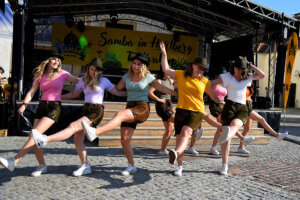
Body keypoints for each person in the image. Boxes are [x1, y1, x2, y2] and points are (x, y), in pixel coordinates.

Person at [81, 53, 177, 176]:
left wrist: (177, 94)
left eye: (139, 64)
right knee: (124, 139)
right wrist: (99, 82)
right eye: (134, 63)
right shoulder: (127, 76)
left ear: (143, 66)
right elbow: (116, 89)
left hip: (142, 107)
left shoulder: (148, 77)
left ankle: (95, 132)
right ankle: (132, 165)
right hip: (130, 106)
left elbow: (163, 89)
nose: (135, 66)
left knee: (119, 114)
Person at [31, 57, 127, 176]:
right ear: (88, 69)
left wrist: (133, 94)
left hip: (96, 110)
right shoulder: (83, 80)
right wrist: (58, 97)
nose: (93, 72)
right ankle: (85, 165)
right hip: (85, 109)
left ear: (100, 71)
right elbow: (74, 94)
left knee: (73, 126)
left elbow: (117, 92)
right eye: (91, 69)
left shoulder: (104, 81)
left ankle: (44, 139)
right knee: (77, 139)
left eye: (96, 70)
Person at [0, 53, 79, 176]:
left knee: (35, 135)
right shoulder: (41, 75)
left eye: (58, 60)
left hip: (54, 107)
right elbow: (32, 92)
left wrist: (93, 83)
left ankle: (14, 161)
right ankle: (42, 165)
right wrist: (24, 104)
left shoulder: (63, 73)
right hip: (42, 106)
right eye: (54, 58)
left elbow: (79, 81)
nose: (57, 61)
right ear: (48, 60)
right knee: (34, 136)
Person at [160, 42, 222, 176]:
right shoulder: (182, 75)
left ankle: (175, 153)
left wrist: (220, 101)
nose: (201, 70)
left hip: (197, 112)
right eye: (199, 67)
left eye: (203, 69)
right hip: (181, 111)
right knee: (179, 138)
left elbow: (212, 95)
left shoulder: (205, 81)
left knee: (186, 131)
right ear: (193, 66)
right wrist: (164, 53)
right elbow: (166, 69)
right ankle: (179, 166)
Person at [211, 56, 265, 176]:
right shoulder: (227, 77)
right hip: (229, 106)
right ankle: (224, 165)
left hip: (242, 107)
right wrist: (213, 95)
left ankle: (227, 135)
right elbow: (211, 83)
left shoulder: (248, 77)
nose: (239, 70)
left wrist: (250, 65)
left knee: (235, 125)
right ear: (234, 67)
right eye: (237, 67)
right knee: (228, 138)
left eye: (242, 68)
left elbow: (262, 75)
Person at [238, 84, 288, 154]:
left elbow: (248, 96)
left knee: (247, 129)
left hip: (249, 106)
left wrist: (250, 99)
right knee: (261, 119)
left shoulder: (248, 86)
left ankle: (241, 147)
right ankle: (277, 135)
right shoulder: (240, 84)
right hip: (244, 107)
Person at [148, 69, 175, 156]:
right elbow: (150, 92)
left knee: (169, 129)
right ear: (164, 72)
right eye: (169, 71)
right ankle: (193, 129)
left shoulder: (170, 81)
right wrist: (158, 99)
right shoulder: (158, 81)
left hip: (170, 104)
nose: (170, 73)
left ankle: (162, 150)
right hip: (162, 105)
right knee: (177, 120)